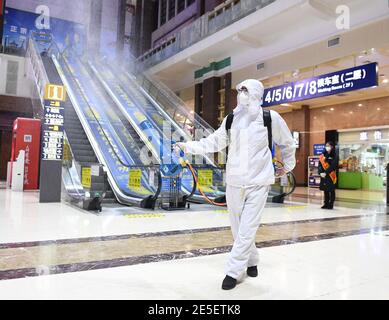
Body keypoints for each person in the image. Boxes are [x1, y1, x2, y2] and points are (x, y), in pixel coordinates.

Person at [174, 79, 296, 290]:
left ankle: (233, 271)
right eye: (240, 90)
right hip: (234, 182)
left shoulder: (270, 118)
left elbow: (286, 142)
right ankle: (252, 259)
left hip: (259, 182)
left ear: (257, 93)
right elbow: (212, 142)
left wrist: (289, 165)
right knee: (238, 228)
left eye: (246, 90)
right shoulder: (231, 119)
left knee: (248, 228)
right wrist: (188, 146)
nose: (241, 94)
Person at [318, 141, 338, 210]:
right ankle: (326, 203)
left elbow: (333, 166)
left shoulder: (335, 155)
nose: (327, 147)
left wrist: (326, 172)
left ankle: (331, 204)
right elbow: (320, 164)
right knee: (325, 189)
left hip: (331, 175)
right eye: (326, 145)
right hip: (324, 175)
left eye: (328, 145)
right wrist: (320, 172)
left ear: (332, 146)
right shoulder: (324, 155)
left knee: (331, 190)